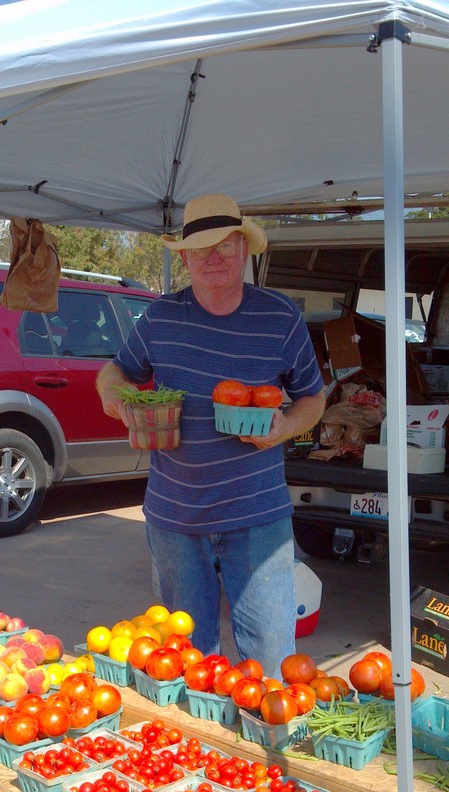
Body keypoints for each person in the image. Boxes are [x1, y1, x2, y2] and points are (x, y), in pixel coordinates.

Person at [96, 194, 325, 678]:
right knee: (185, 664)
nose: (213, 257)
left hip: (258, 518)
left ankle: (263, 728)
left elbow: (313, 398)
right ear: (184, 258)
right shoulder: (160, 318)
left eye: (224, 245)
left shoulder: (280, 317)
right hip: (175, 518)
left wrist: (284, 427)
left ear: (243, 249)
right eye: (200, 248)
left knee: (270, 665)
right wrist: (116, 400)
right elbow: (115, 371)